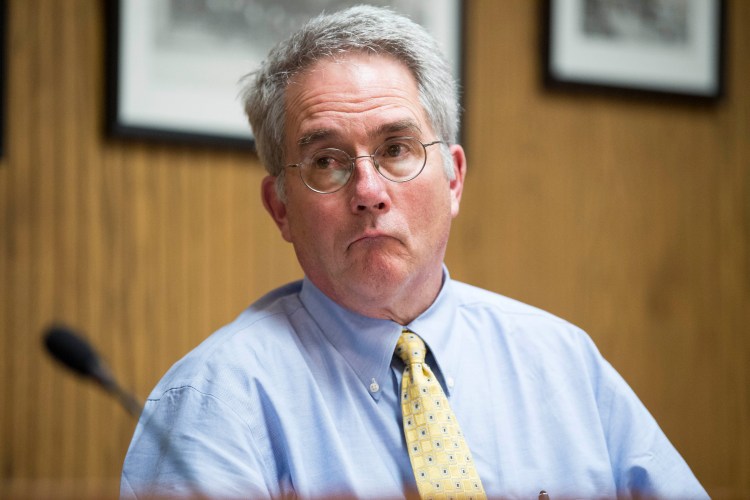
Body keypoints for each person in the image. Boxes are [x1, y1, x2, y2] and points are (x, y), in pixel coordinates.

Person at [120, 5, 707, 499]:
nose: (369, 192)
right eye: (327, 161)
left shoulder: (563, 363)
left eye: (397, 148)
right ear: (280, 208)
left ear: (453, 180)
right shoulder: (212, 403)